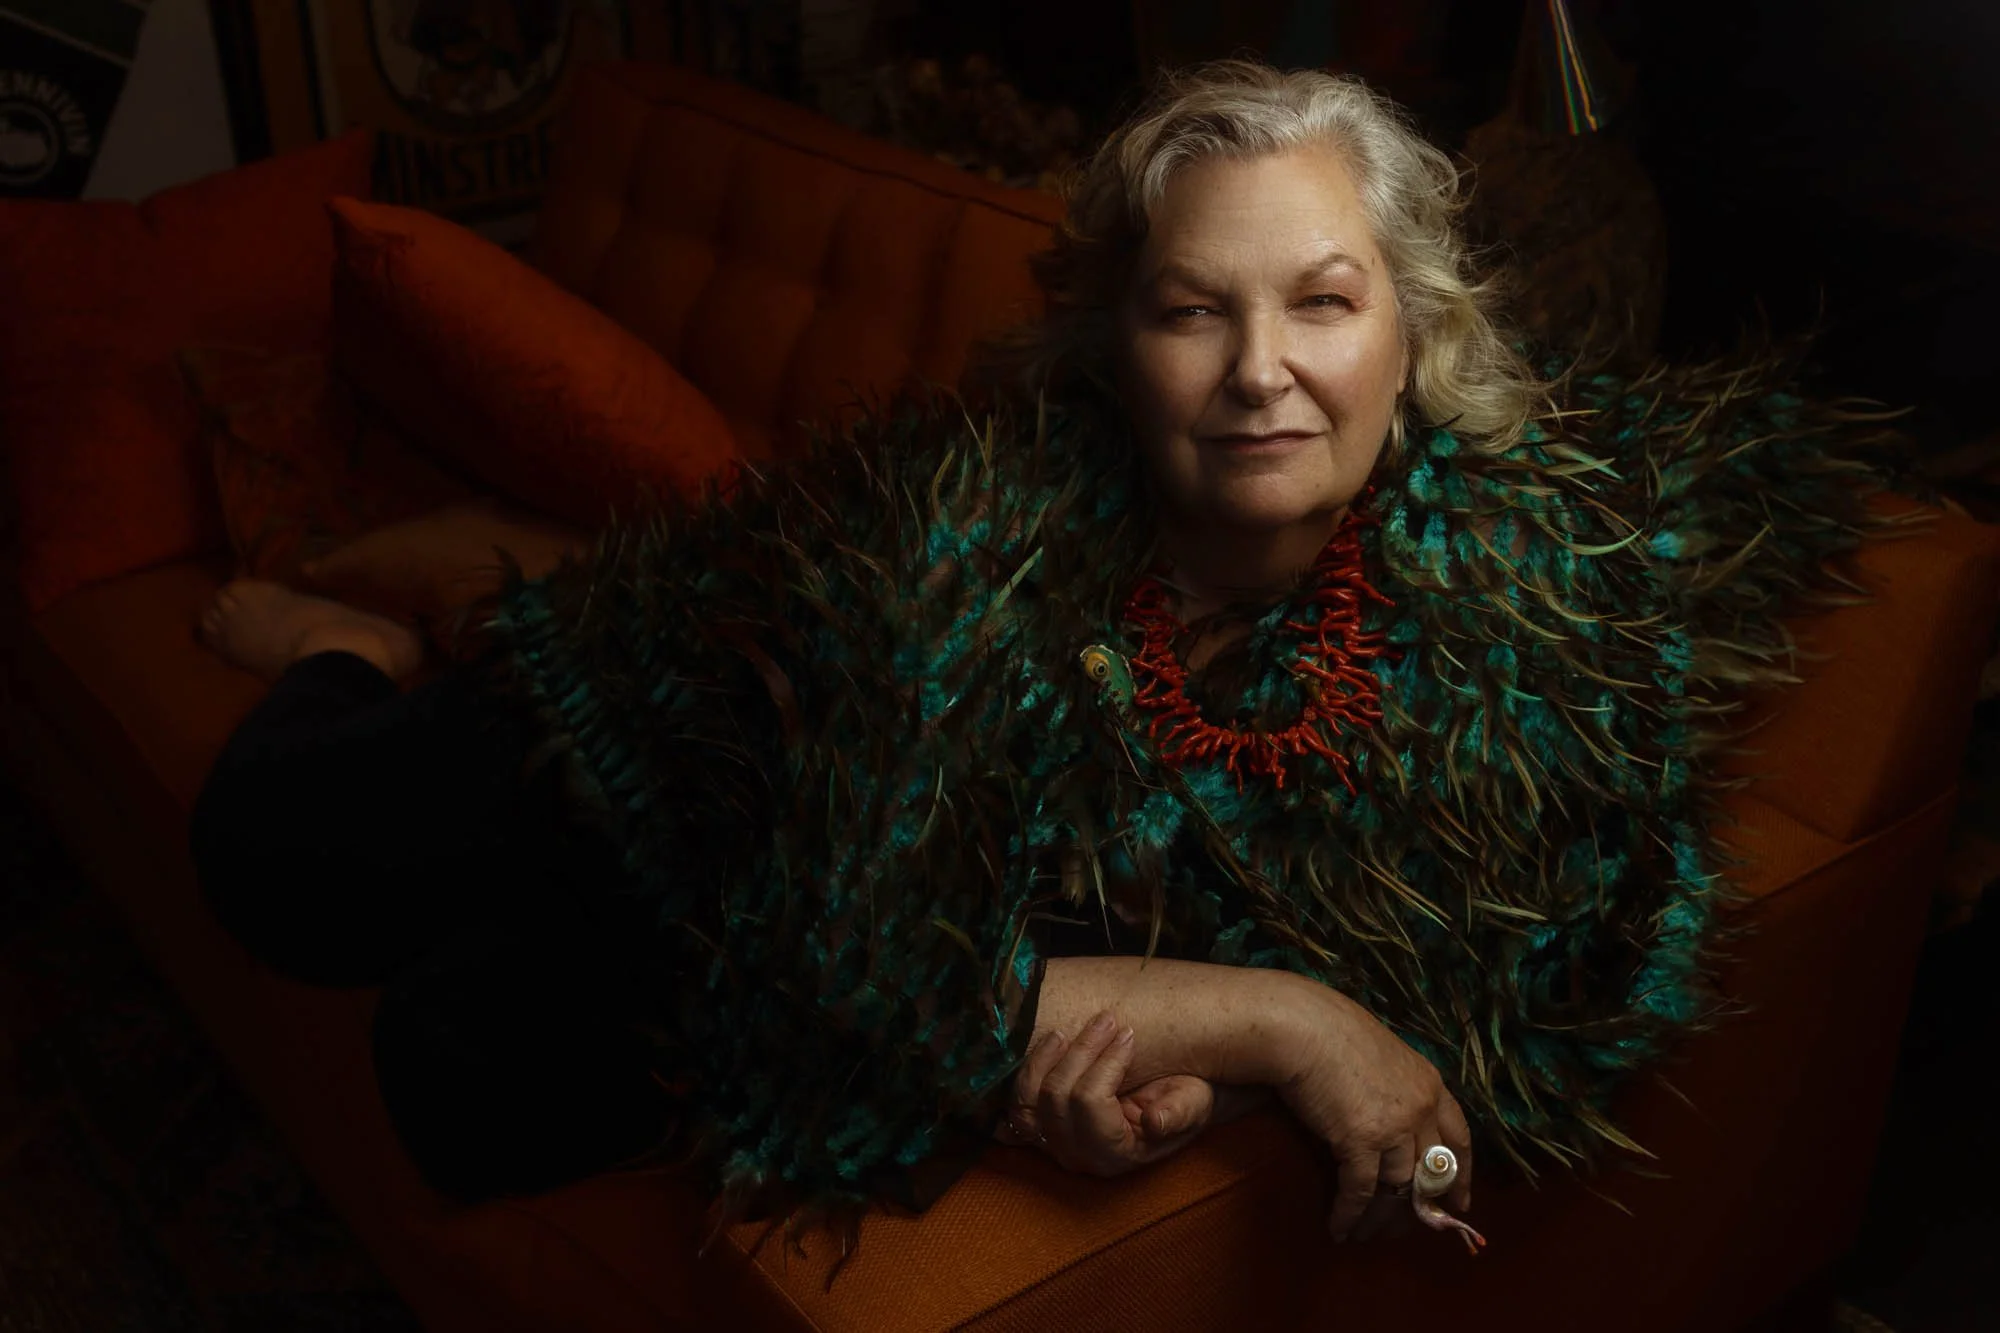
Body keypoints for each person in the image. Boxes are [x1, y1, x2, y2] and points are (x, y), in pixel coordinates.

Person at [189, 60, 1906, 1251]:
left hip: (724, 891)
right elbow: (869, 962)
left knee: (453, 1066)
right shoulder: (965, 544)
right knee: (273, 855)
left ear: (1414, 334)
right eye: (1193, 308)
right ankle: (352, 644)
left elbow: (1465, 1054)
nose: (1260, 371)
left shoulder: (1513, 627)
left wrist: (1093, 1075)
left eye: (1322, 301)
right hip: (675, 718)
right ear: (1114, 346)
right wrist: (1284, 1024)